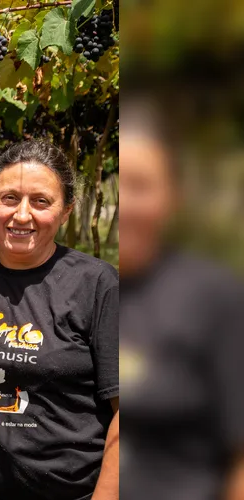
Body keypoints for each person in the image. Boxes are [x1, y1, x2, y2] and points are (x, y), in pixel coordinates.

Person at [0, 140, 119, 500]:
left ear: (66, 211)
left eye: (41, 201)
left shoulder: (97, 284)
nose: (21, 215)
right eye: (9, 198)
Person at [118, 96, 244, 500]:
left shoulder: (215, 298)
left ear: (172, 198)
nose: (125, 204)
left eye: (140, 187)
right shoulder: (93, 288)